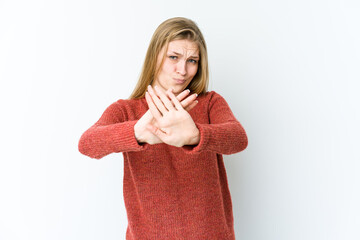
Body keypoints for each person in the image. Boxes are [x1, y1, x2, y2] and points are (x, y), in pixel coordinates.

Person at [78, 17, 248, 240]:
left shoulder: (209, 102)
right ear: (154, 57)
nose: (183, 70)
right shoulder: (127, 110)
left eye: (192, 61)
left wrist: (196, 135)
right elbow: (87, 143)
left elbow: (238, 138)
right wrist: (137, 132)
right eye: (173, 57)